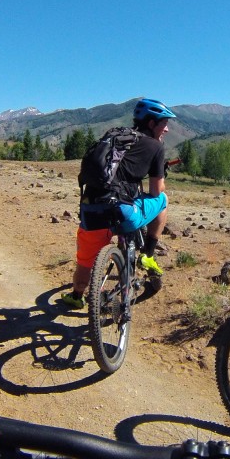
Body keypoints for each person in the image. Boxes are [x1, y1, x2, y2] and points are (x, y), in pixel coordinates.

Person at [60, 98, 176, 310]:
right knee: (163, 200)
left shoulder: (118, 136)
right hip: (122, 211)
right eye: (164, 123)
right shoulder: (155, 146)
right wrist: (160, 173)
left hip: (91, 209)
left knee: (86, 261)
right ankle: (148, 255)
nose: (167, 129)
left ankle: (76, 295)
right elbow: (156, 190)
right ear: (151, 123)